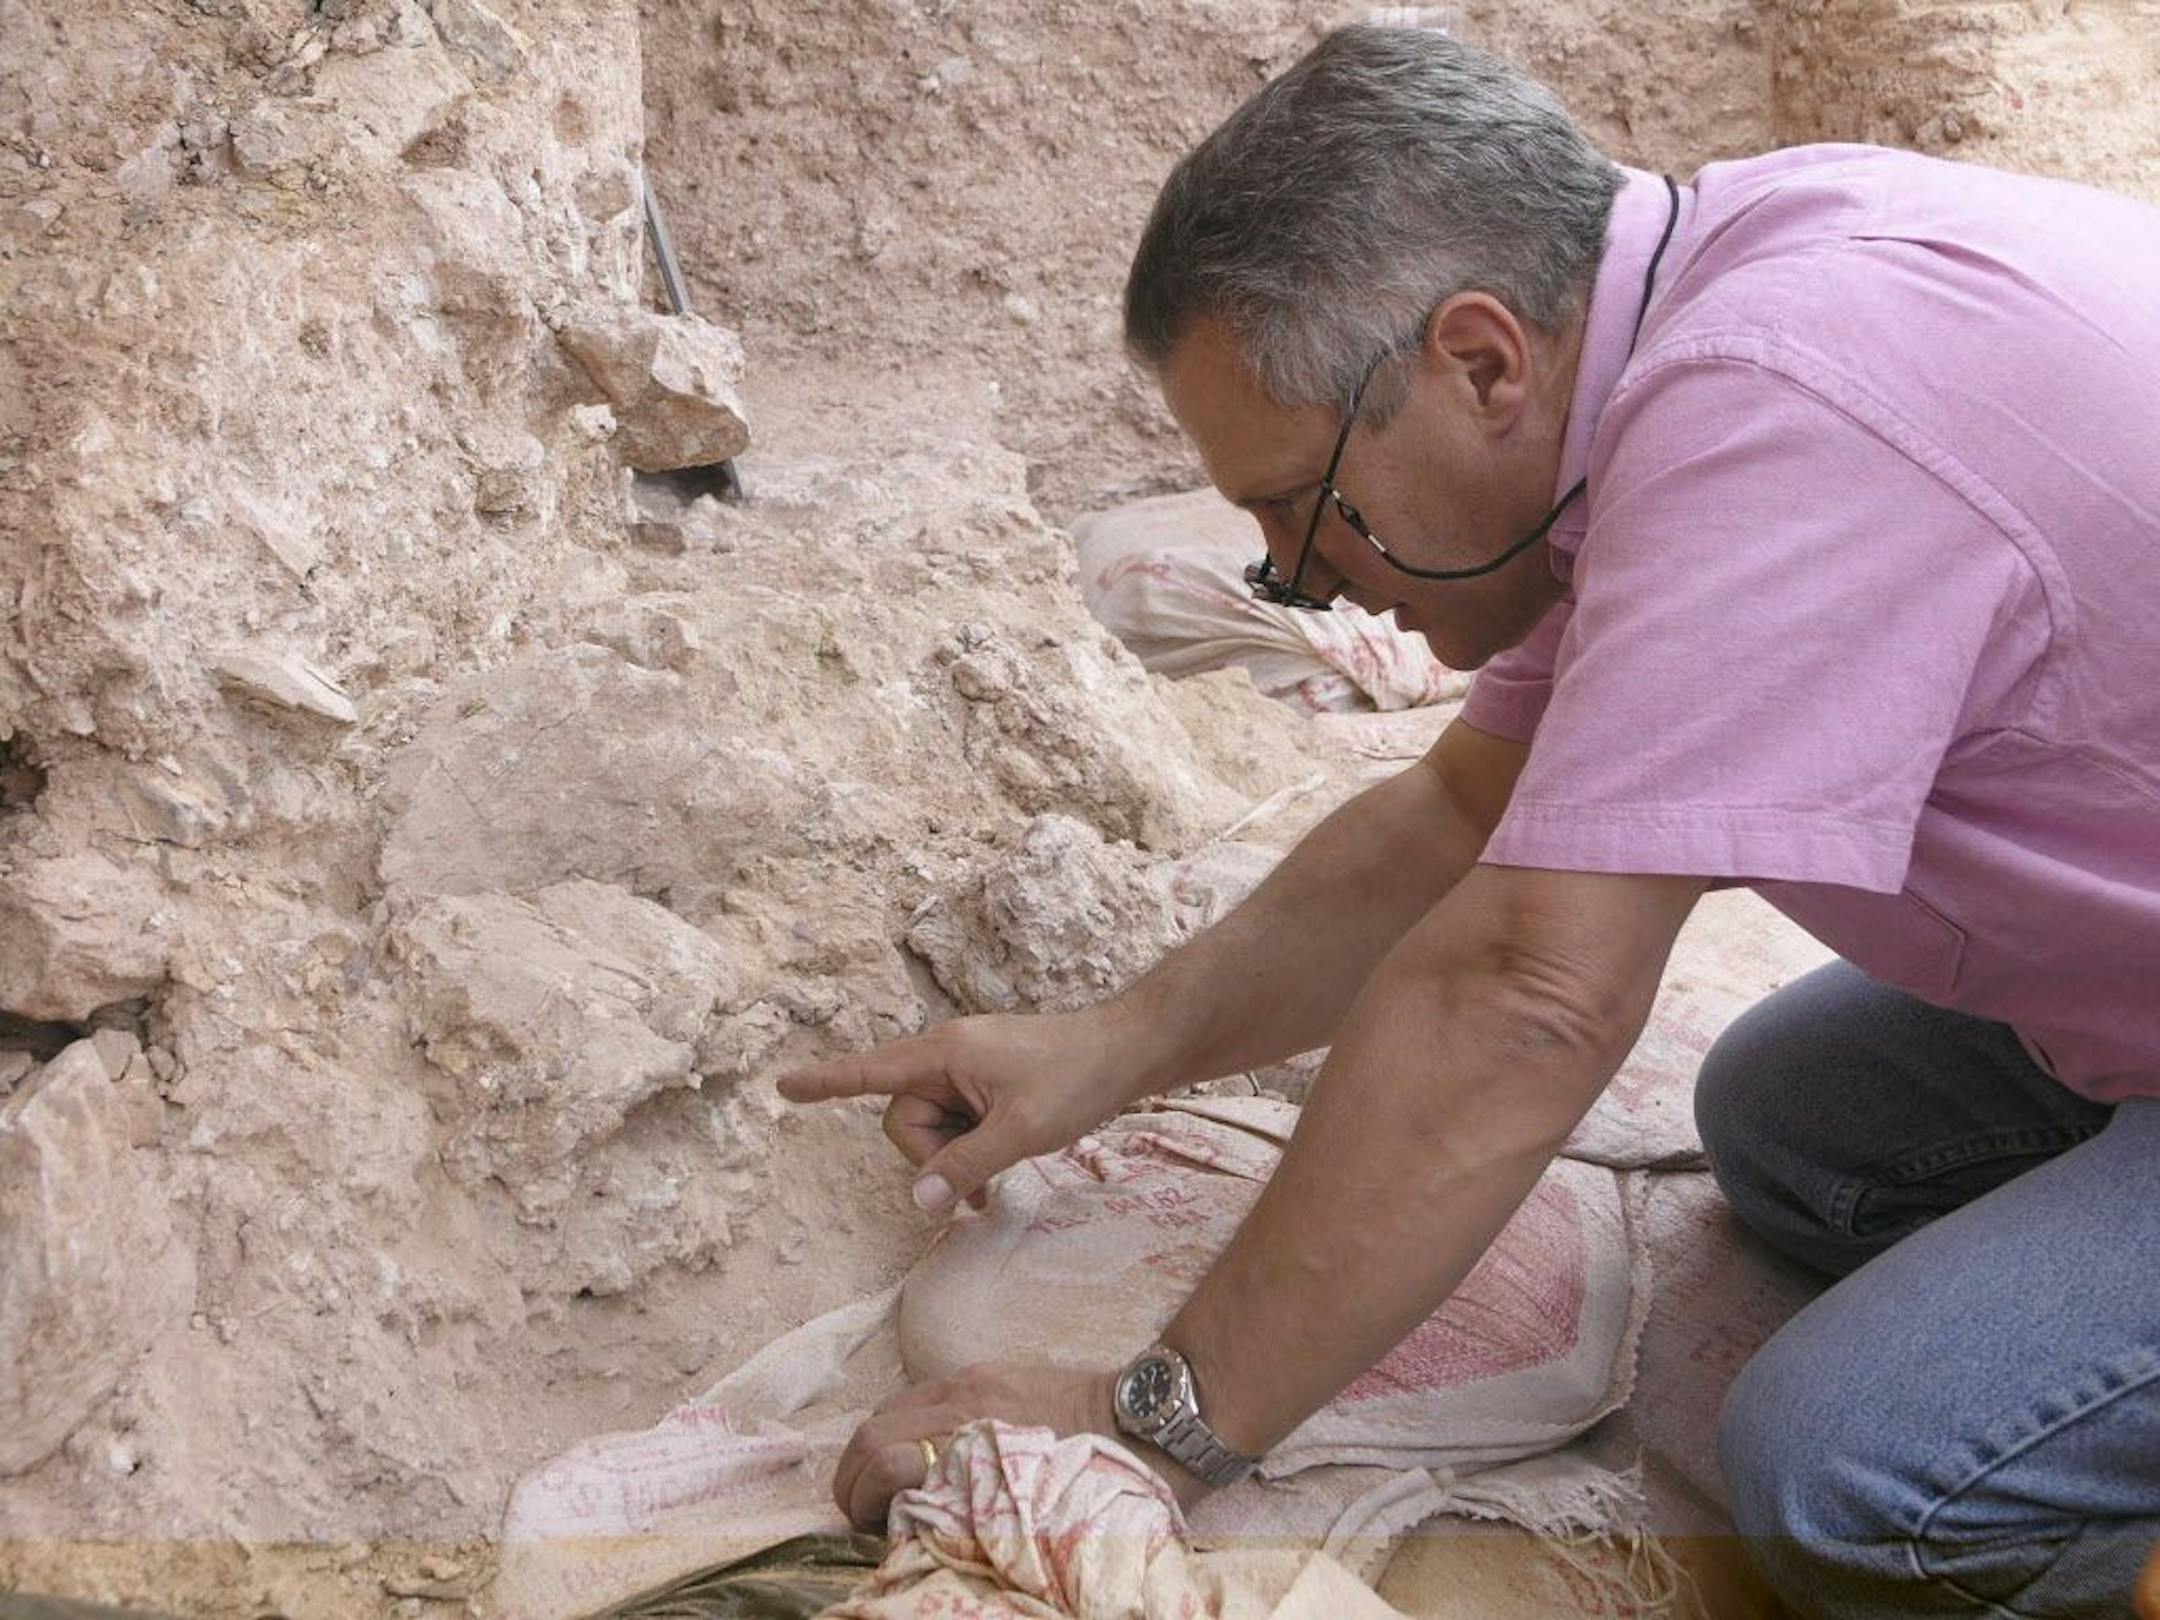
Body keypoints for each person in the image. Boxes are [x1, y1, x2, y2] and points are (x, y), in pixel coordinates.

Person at [778, 24, 2160, 1617]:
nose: (1296, 575)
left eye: (1300, 502)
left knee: (1857, 1481)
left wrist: (1155, 1424)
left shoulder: (1777, 409)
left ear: (1482, 363)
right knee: (1792, 1126)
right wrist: (1118, 1043)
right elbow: (1456, 811)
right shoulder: (1699, 318)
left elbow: (1528, 996)